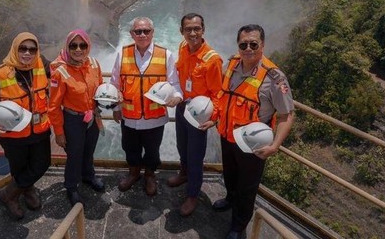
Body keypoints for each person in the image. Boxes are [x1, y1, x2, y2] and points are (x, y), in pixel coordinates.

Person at [212, 24, 294, 239]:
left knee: (247, 188)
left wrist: (275, 146)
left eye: (253, 44)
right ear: (238, 46)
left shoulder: (275, 78)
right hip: (227, 135)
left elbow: (287, 115)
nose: (248, 48)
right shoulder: (231, 65)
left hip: (253, 145)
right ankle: (230, 199)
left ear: (262, 45)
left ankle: (238, 226)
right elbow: (222, 97)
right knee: (230, 176)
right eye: (243, 44)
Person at [0, 32, 52, 220]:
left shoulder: (42, 64)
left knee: (41, 164)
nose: (27, 53)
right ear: (15, 49)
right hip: (13, 135)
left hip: (39, 130)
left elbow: (62, 71)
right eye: (23, 48)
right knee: (19, 168)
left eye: (32, 49)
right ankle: (23, 193)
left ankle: (8, 195)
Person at [110, 17, 183, 196]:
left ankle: (150, 175)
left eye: (146, 31)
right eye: (138, 31)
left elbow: (175, 85)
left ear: (153, 32)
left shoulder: (166, 55)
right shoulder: (122, 53)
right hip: (129, 116)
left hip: (155, 118)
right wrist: (116, 109)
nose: (142, 35)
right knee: (129, 148)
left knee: (152, 151)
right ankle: (133, 173)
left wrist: (177, 98)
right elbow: (114, 83)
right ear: (131, 34)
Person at [168, 13, 223, 216]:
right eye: (188, 29)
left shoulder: (212, 60)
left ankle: (192, 194)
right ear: (182, 31)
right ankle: (184, 173)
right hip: (183, 105)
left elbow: (218, 92)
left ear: (203, 30)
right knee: (182, 145)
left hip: (200, 112)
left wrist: (213, 117)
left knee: (196, 154)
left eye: (196, 28)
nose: (192, 33)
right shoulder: (183, 48)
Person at [48, 29, 105, 206]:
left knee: (89, 150)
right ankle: (71, 186)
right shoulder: (60, 72)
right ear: (67, 47)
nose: (78, 49)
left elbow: (101, 86)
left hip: (92, 117)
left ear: (88, 46)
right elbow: (53, 106)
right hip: (72, 120)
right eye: (73, 45)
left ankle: (88, 176)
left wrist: (108, 98)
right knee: (74, 155)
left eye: (82, 45)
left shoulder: (94, 64)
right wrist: (59, 132)